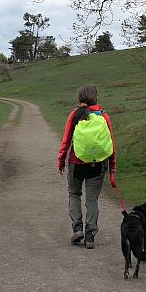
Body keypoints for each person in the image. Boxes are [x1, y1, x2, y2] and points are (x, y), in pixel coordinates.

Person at [57, 84, 117, 248]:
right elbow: (110, 144)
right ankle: (90, 235)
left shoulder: (74, 115)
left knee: (74, 194)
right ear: (95, 97)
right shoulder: (104, 116)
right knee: (92, 199)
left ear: (80, 98)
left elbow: (66, 140)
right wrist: (112, 168)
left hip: (76, 163)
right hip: (97, 165)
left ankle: (78, 228)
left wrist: (61, 160)